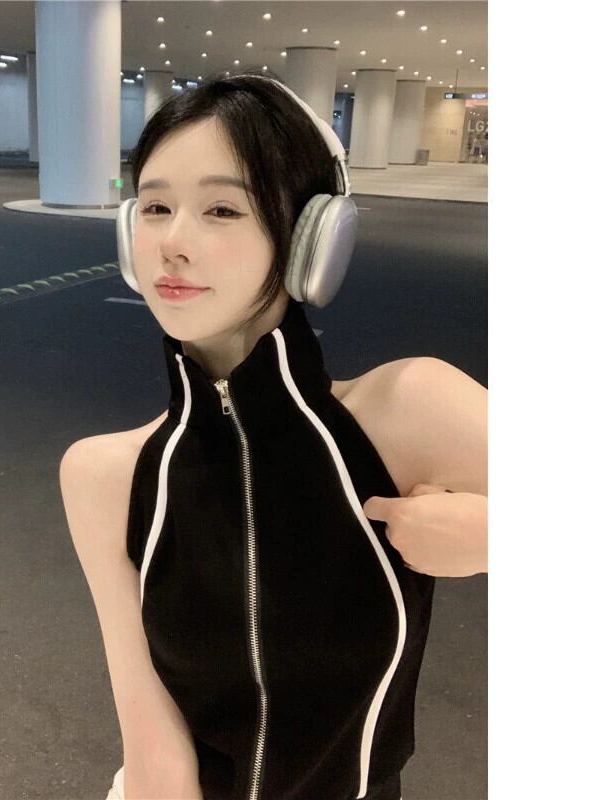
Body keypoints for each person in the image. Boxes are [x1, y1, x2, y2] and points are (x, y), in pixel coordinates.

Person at [60, 72, 487, 800]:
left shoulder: (409, 409)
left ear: (312, 237)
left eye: (222, 209)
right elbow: (155, 748)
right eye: (156, 207)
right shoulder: (105, 474)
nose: (172, 243)